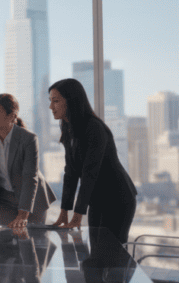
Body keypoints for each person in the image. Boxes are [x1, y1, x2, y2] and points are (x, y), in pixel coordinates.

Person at [48, 78, 137, 244]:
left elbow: (90, 173)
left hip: (118, 198)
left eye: (56, 101)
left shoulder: (94, 128)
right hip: (97, 198)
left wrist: (77, 215)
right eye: (50, 101)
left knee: (111, 255)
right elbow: (71, 173)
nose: (51, 107)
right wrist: (64, 210)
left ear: (71, 101)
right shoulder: (68, 126)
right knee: (95, 254)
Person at [0, 94, 54, 228]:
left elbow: (30, 177)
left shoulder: (28, 139)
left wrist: (23, 215)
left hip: (33, 198)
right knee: (5, 243)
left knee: (32, 242)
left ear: (12, 116)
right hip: (5, 199)